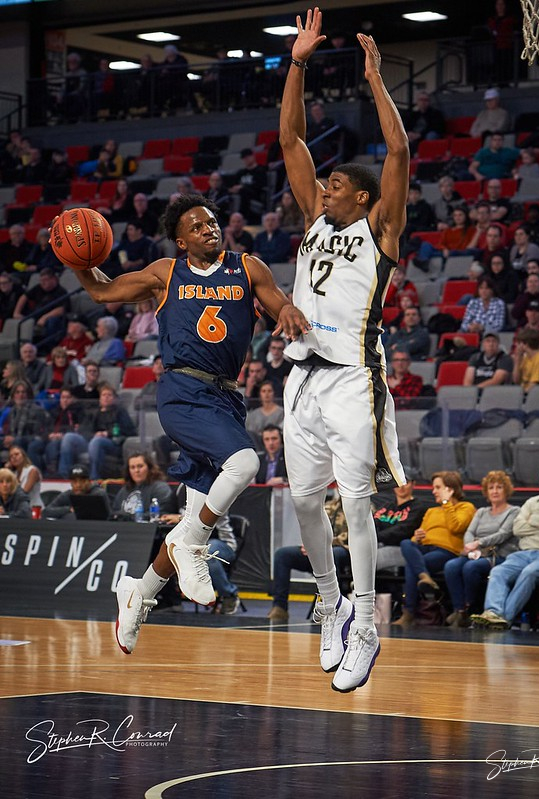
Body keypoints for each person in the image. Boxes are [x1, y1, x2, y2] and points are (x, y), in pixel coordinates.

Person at [70, 192, 308, 654]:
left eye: (212, 222)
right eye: (197, 226)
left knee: (193, 518)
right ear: (181, 241)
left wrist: (290, 311)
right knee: (244, 465)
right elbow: (102, 290)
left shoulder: (248, 267)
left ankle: (138, 594)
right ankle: (194, 545)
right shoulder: (166, 273)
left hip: (226, 397)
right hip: (183, 389)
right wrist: (76, 259)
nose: (208, 229)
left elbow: (280, 306)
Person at [279, 10, 409, 691]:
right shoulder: (313, 219)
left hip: (355, 375)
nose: (323, 188)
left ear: (361, 197)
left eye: (335, 185)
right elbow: (290, 138)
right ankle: (329, 603)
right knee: (304, 501)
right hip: (301, 377)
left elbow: (399, 153)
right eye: (322, 184)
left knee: (356, 503)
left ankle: (365, 624)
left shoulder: (380, 228)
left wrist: (376, 80)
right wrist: (296, 63)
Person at [471, 458, 539, 629]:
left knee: (529, 573)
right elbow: (517, 528)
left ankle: (504, 618)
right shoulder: (531, 502)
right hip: (523, 553)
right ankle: (493, 612)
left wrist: (533, 520)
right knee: (498, 571)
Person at [396, 471, 476, 627]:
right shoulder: (431, 511)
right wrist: (417, 537)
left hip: (447, 551)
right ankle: (424, 577)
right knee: (406, 543)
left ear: (450, 489)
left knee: (412, 566)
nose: (433, 491)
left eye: (438, 488)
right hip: (425, 547)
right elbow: (416, 538)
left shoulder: (466, 507)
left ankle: (409, 612)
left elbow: (456, 527)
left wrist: (447, 503)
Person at [444, 470, 519, 627]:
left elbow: (503, 534)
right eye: (491, 488)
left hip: (498, 554)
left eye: (499, 487)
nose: (495, 491)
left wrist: (478, 543)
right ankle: (459, 610)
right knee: (451, 566)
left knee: (471, 568)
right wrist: (470, 546)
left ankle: (470, 608)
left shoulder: (513, 511)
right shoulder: (482, 512)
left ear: (506, 490)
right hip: (475, 553)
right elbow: (470, 532)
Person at [268, 493, 351, 622]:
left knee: (334, 554)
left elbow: (352, 537)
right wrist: (309, 543)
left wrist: (322, 544)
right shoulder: (328, 506)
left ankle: (328, 606)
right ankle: (280, 607)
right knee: (283, 555)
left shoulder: (364, 506)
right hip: (319, 549)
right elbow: (313, 527)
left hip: (346, 552)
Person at [112, 452, 175, 520]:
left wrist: (130, 517)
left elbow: (161, 513)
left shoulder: (160, 488)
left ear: (149, 468)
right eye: (132, 467)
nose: (136, 470)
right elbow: (115, 513)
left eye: (140, 466)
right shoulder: (124, 490)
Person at [43, 463, 110, 519]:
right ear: (71, 483)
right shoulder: (68, 494)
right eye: (75, 481)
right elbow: (46, 511)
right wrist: (68, 509)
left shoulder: (99, 494)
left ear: (89, 481)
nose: (78, 485)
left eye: (82, 481)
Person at [512, 327, 539, 392]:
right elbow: (516, 381)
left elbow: (534, 385)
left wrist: (521, 395)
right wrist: (517, 362)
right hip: (521, 391)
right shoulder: (525, 358)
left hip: (535, 394)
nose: (517, 346)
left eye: (519, 343)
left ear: (525, 344)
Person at [6, 444, 43, 508]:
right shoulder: (14, 474)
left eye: (16, 454)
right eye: (11, 456)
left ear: (23, 456)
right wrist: (7, 471)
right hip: (19, 509)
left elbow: (24, 493)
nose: (14, 457)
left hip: (34, 508)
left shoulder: (32, 470)